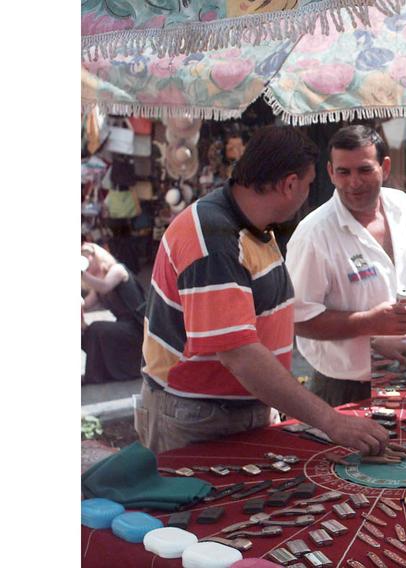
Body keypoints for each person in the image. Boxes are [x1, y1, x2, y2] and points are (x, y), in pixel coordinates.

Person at [135, 125, 389, 456]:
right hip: (198, 416)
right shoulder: (213, 240)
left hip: (234, 409)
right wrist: (331, 421)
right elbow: (239, 354)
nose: (308, 195)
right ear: (289, 185)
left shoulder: (251, 225)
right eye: (309, 185)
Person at [285, 125, 406, 407]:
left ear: (386, 167)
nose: (354, 182)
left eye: (364, 170)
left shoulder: (402, 207)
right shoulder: (313, 234)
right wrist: (368, 324)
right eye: (344, 172)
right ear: (331, 172)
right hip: (346, 390)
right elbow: (298, 320)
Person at [81, 242, 146, 383]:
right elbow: (85, 304)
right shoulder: (97, 284)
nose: (84, 259)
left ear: (97, 255)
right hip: (124, 326)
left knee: (96, 328)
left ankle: (94, 376)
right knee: (85, 333)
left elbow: (104, 287)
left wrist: (81, 273)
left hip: (138, 327)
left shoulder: (117, 270)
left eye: (87, 255)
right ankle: (101, 372)